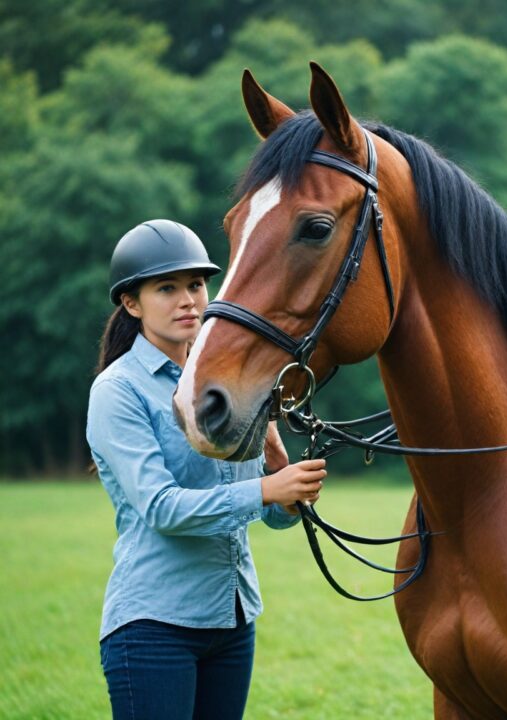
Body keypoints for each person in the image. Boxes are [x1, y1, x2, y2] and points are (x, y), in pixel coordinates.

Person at [87, 219, 325, 720]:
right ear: (131, 303)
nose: (188, 300)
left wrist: (288, 492)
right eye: (166, 288)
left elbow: (267, 514)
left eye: (196, 284)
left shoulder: (226, 385)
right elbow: (162, 508)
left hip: (234, 622)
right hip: (153, 628)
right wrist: (264, 488)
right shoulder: (118, 391)